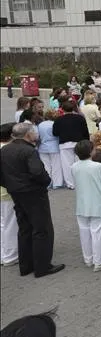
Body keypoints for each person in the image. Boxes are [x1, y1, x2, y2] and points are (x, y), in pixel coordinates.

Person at [0, 123, 63, 278]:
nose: (36, 134)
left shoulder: (5, 149)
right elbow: (37, 172)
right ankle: (42, 266)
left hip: (16, 192)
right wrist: (45, 181)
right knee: (41, 228)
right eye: (34, 132)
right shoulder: (28, 151)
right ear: (28, 135)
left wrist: (10, 185)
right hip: (33, 193)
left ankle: (26, 265)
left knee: (24, 228)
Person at [71, 140, 101, 272]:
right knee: (97, 232)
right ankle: (100, 261)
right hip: (97, 202)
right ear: (91, 151)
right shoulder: (98, 166)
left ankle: (88, 258)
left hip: (81, 203)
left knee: (84, 232)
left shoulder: (73, 166)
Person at [52, 101, 90, 190]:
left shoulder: (58, 120)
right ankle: (81, 182)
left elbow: (55, 133)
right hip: (78, 143)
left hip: (64, 143)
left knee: (67, 165)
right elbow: (85, 131)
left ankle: (70, 183)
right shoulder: (80, 118)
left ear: (62, 109)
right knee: (80, 163)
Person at [0, 124, 19, 266]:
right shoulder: (7, 151)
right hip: (7, 192)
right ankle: (10, 256)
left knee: (2, 224)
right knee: (10, 224)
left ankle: (3, 253)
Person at [37, 110, 63, 189]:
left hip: (43, 146)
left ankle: (48, 183)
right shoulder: (54, 124)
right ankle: (57, 183)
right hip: (54, 146)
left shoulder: (40, 125)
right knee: (56, 165)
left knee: (46, 166)